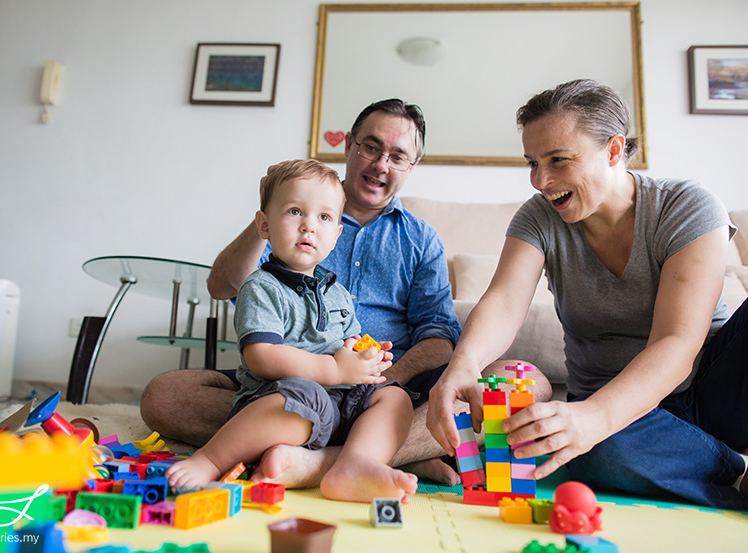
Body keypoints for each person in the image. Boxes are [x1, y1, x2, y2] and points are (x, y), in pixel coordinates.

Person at [141, 98, 552, 488]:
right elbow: (222, 286)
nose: (380, 165)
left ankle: (320, 462)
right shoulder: (296, 214)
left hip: (386, 385)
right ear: (349, 146)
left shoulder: (420, 239)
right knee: (164, 395)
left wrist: (379, 377)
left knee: (525, 384)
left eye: (397, 156)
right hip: (289, 377)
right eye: (370, 147)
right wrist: (270, 205)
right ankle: (392, 453)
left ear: (412, 167)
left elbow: (439, 336)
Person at [426, 79, 748, 510]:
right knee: (592, 451)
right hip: (617, 409)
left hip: (708, 390)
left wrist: (596, 419)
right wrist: (461, 367)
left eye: (558, 160)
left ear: (614, 150)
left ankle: (697, 459)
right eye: (533, 163)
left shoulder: (687, 206)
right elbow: (503, 301)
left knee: (594, 437)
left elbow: (678, 341)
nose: (540, 180)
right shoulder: (540, 217)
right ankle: (731, 473)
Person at [165, 159, 418, 502]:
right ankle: (210, 458)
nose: (309, 227)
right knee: (299, 401)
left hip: (342, 399)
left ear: (336, 235)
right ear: (264, 225)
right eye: (295, 212)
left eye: (324, 217)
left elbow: (350, 341)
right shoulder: (262, 286)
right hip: (284, 397)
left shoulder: (337, 292)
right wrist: (333, 368)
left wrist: (367, 355)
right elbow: (261, 356)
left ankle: (354, 464)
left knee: (395, 397)